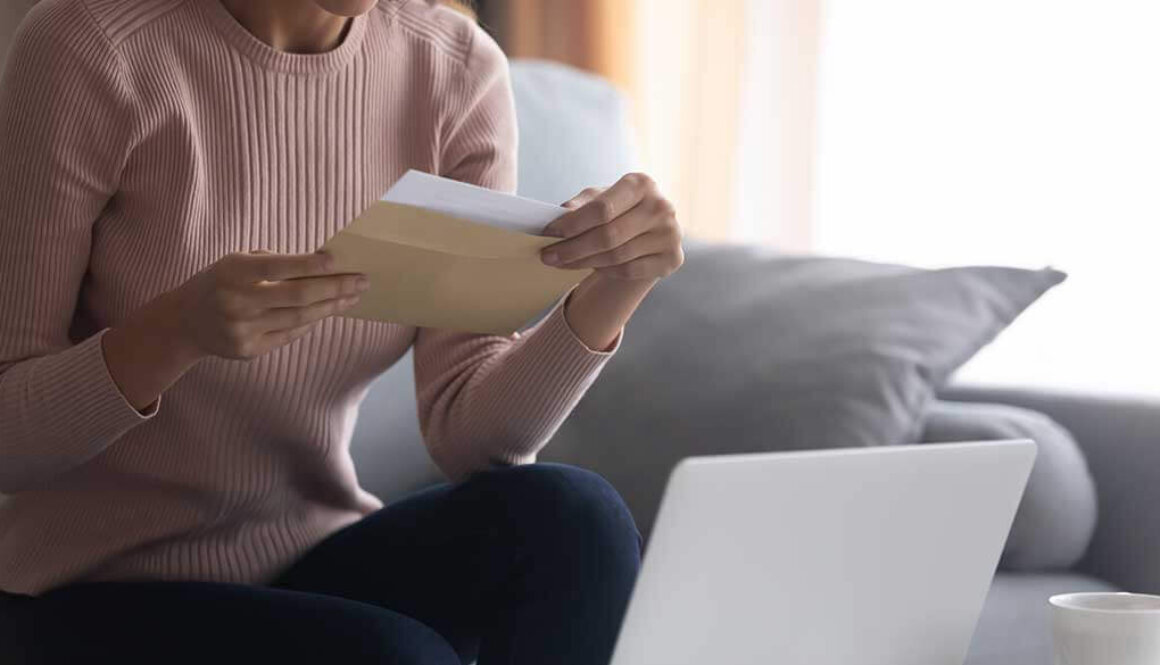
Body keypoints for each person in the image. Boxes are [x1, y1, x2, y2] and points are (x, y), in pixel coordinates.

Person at [0, 0, 685, 662]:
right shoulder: (91, 47)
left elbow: (472, 437)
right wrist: (173, 332)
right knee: (394, 656)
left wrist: (614, 289)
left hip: (310, 560)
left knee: (574, 518)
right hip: (82, 592)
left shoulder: (452, 67)